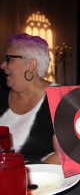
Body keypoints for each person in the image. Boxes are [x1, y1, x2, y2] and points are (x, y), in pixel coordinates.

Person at [0, 33, 60, 164]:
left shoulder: (62, 99)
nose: (3, 65)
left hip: (46, 181)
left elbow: (66, 157)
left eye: (9, 59)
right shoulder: (1, 98)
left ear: (31, 64)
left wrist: (21, 176)